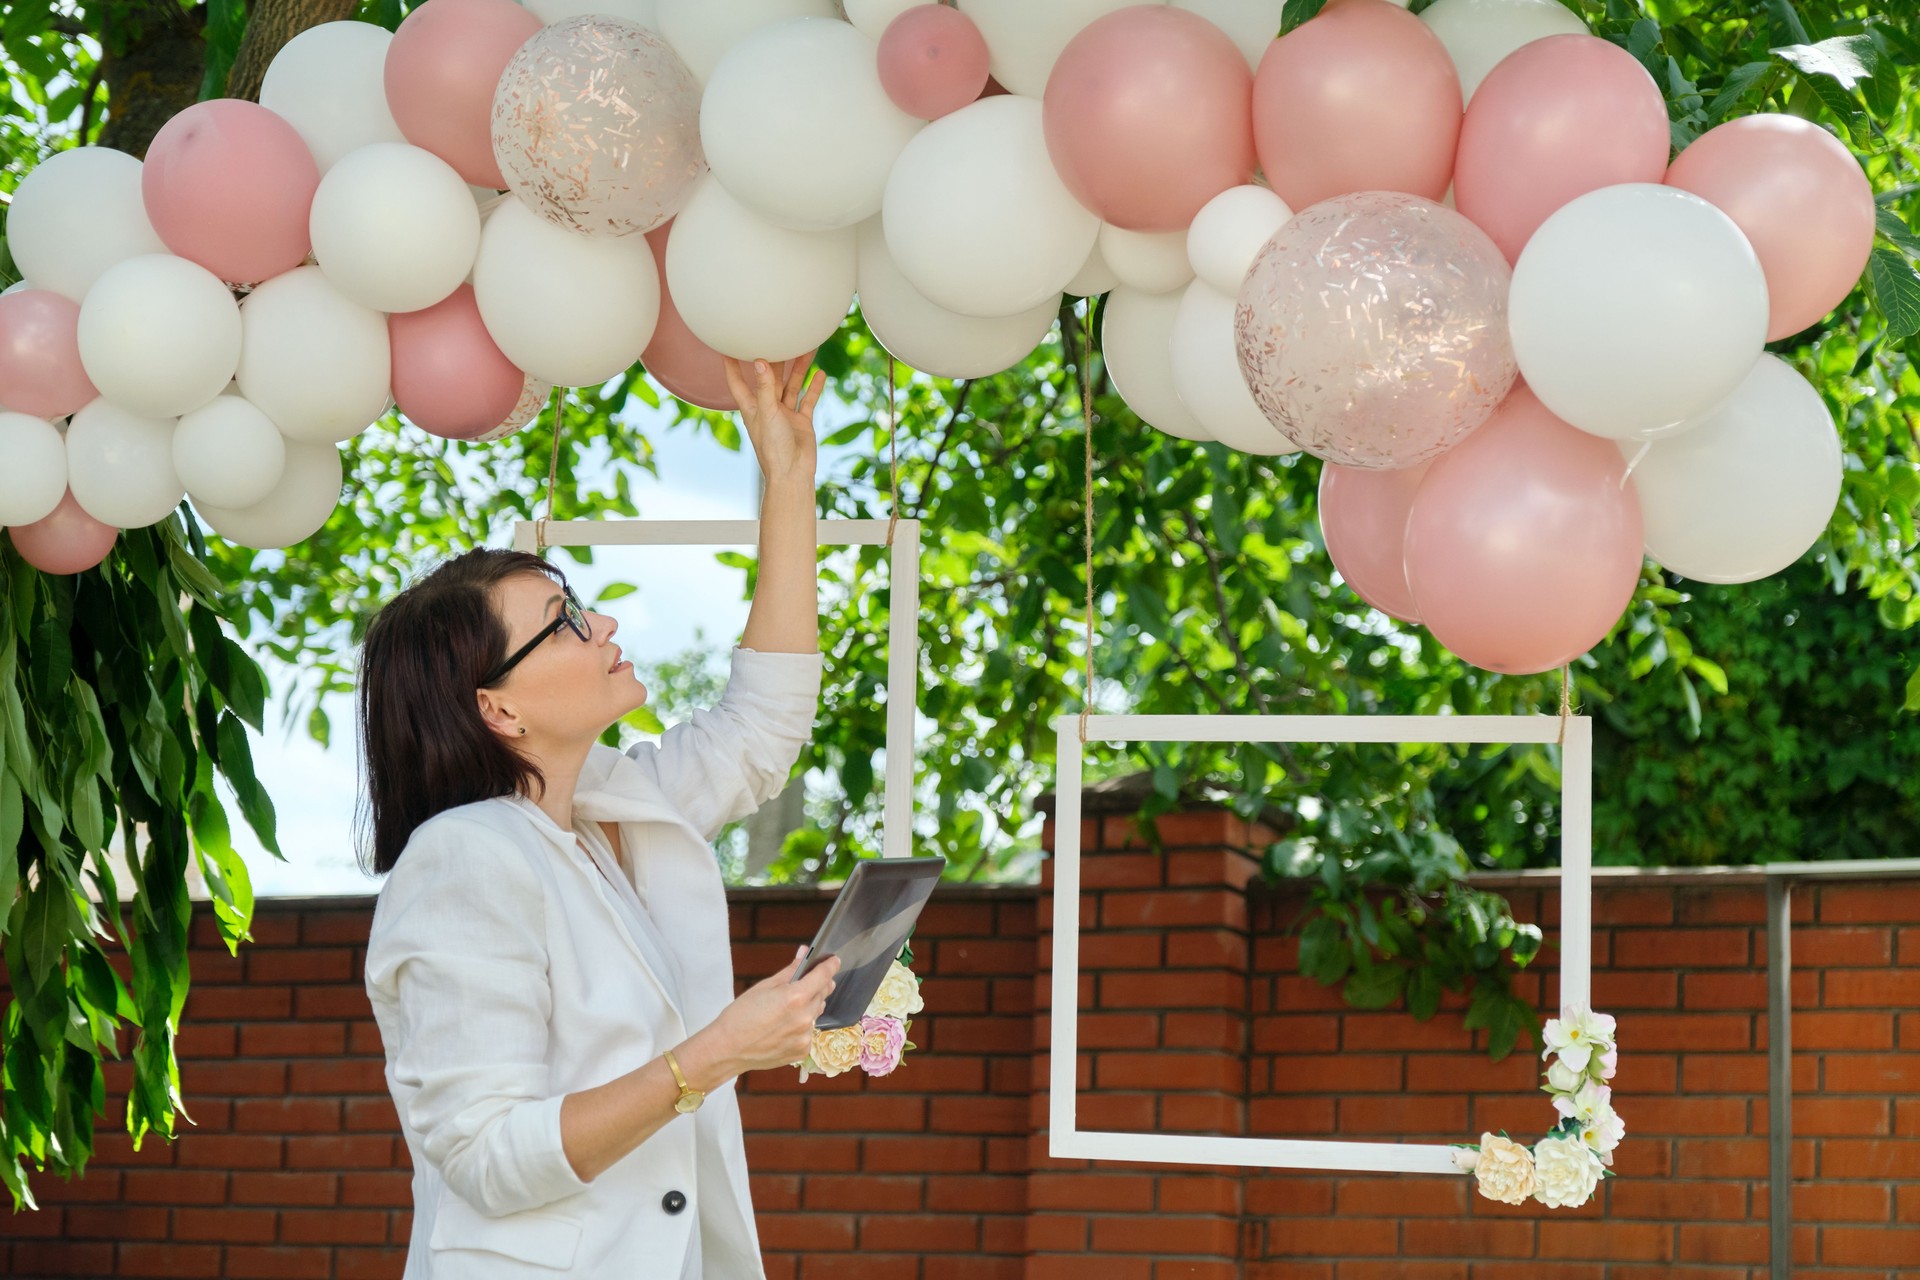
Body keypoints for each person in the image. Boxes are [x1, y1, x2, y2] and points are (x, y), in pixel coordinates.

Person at [356, 356, 841, 1279]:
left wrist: (788, 482)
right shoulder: (461, 861)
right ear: (498, 709)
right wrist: (720, 1051)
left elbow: (761, 726)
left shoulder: (619, 807)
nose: (604, 624)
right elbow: (489, 1157)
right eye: (565, 621)